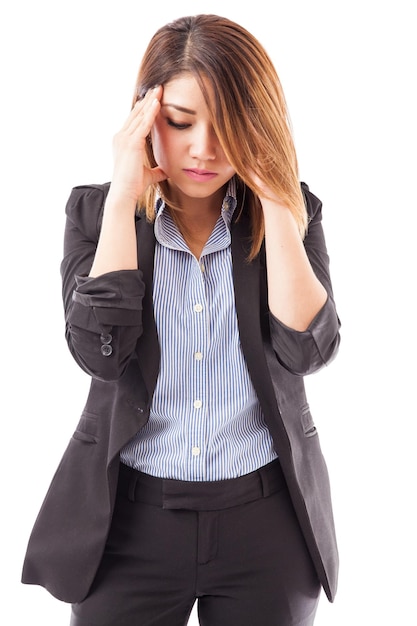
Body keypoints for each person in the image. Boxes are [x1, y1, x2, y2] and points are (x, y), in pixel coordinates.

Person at [22, 13, 341, 626]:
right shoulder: (97, 215)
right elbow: (100, 353)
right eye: (181, 121)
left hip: (266, 522)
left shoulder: (289, 213)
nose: (205, 148)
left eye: (230, 126)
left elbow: (308, 351)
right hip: (129, 523)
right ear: (147, 117)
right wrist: (122, 197)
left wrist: (275, 195)